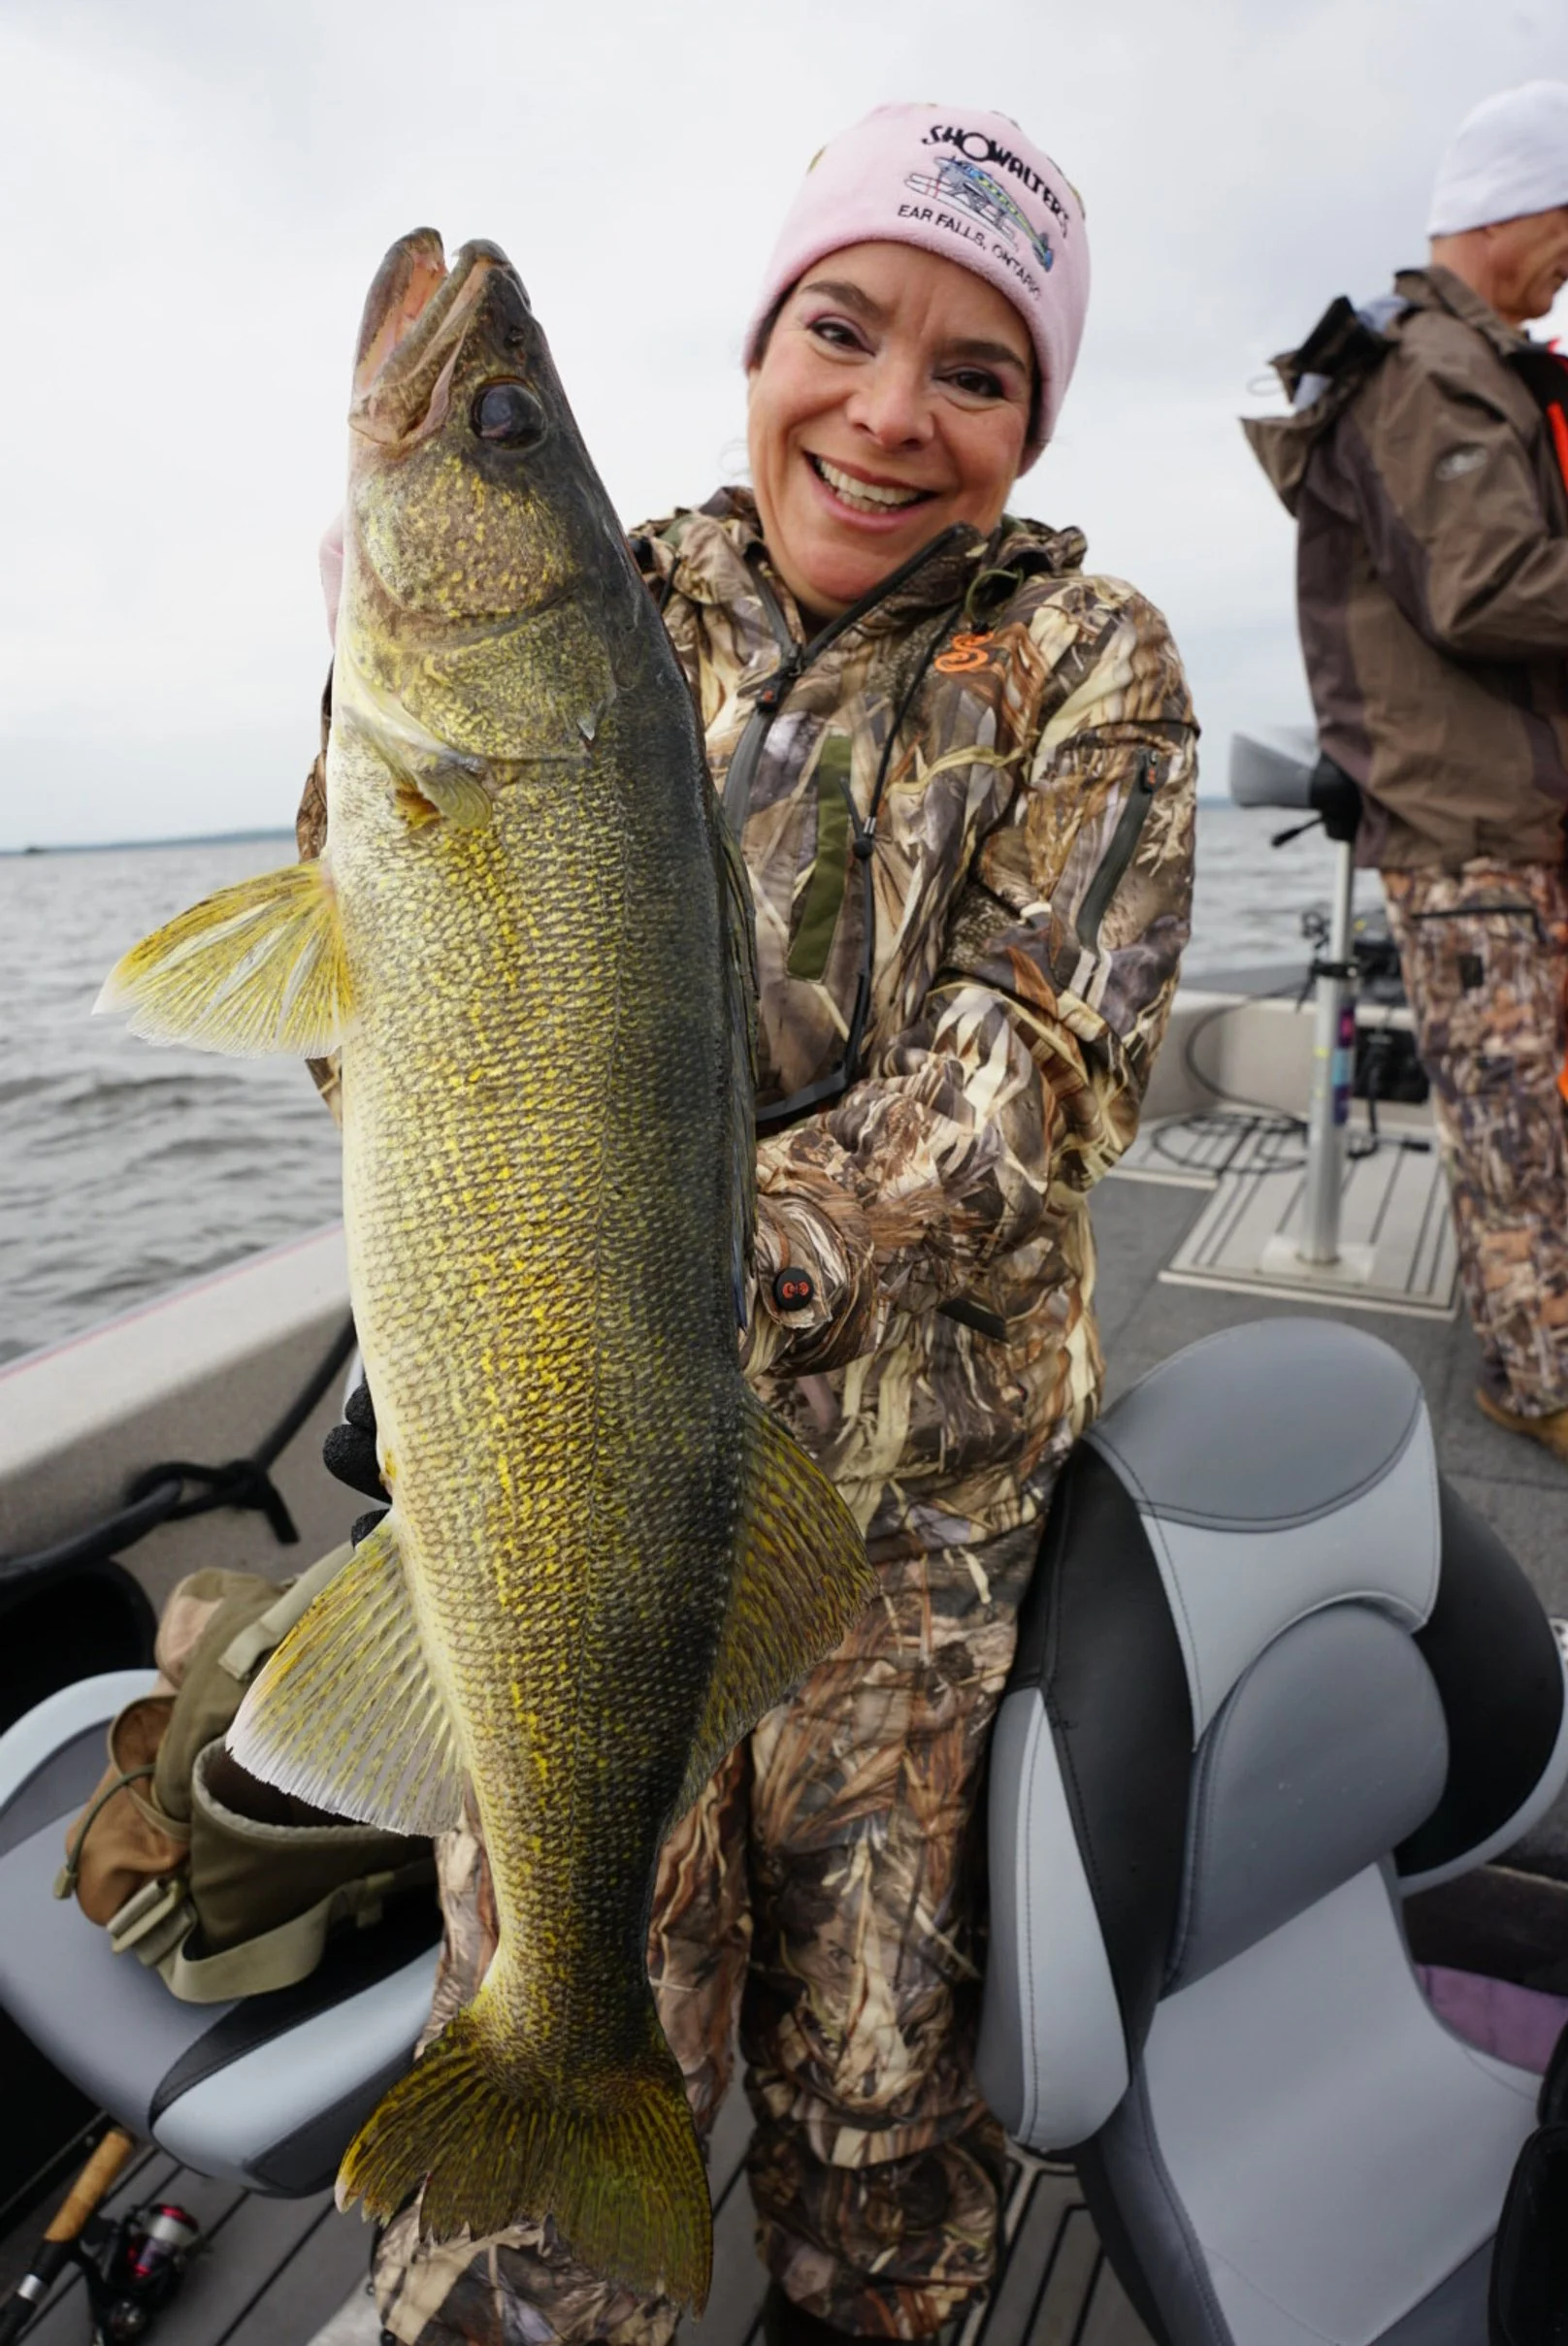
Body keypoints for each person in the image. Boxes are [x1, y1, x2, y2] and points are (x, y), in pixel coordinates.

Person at [300, 103, 1197, 2346]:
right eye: (844, 327)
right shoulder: (616, 611)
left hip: (898, 1559)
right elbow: (371, 1031)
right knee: (522, 2207)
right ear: (761, 340)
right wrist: (345, 700)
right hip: (549, 1521)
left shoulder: (1089, 665)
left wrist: (645, 1262)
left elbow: (1028, 1087)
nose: (891, 412)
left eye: (976, 372)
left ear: (1031, 420)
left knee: (883, 2137)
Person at [1246, 81, 1568, 1460]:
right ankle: (1537, 1380)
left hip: (1495, 817)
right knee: (1514, 1123)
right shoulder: (1432, 368)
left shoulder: (1464, 358)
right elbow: (1487, 583)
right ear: (1521, 210)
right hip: (1468, 825)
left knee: (1527, 1108)